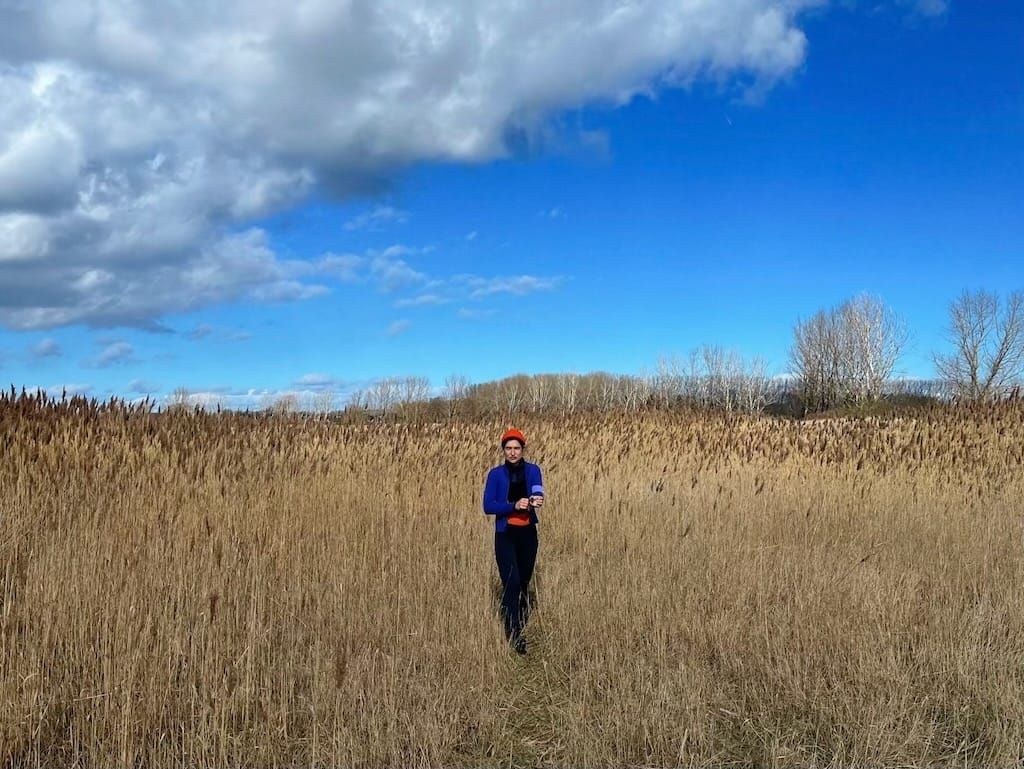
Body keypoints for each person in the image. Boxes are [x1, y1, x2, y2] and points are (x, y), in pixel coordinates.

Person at [482, 428, 545, 655]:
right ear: (503, 450)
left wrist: (537, 499)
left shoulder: (533, 470)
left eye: (516, 448)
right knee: (512, 581)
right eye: (508, 448)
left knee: (525, 581)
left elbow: (538, 489)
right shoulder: (495, 475)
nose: (512, 452)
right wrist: (513, 505)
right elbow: (488, 506)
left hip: (528, 534)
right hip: (505, 535)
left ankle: (517, 613)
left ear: (523, 449)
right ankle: (514, 633)